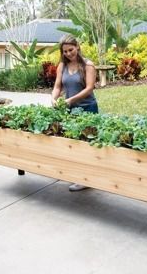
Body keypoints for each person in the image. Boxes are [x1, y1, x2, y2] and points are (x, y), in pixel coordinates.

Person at [51, 35, 98, 192]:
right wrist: (54, 98)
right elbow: (58, 86)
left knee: (85, 145)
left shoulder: (88, 65)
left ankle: (85, 179)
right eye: (65, 51)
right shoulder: (62, 67)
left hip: (87, 109)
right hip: (69, 110)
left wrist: (70, 100)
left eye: (71, 50)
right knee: (72, 143)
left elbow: (89, 88)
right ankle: (78, 175)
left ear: (77, 47)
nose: (68, 53)